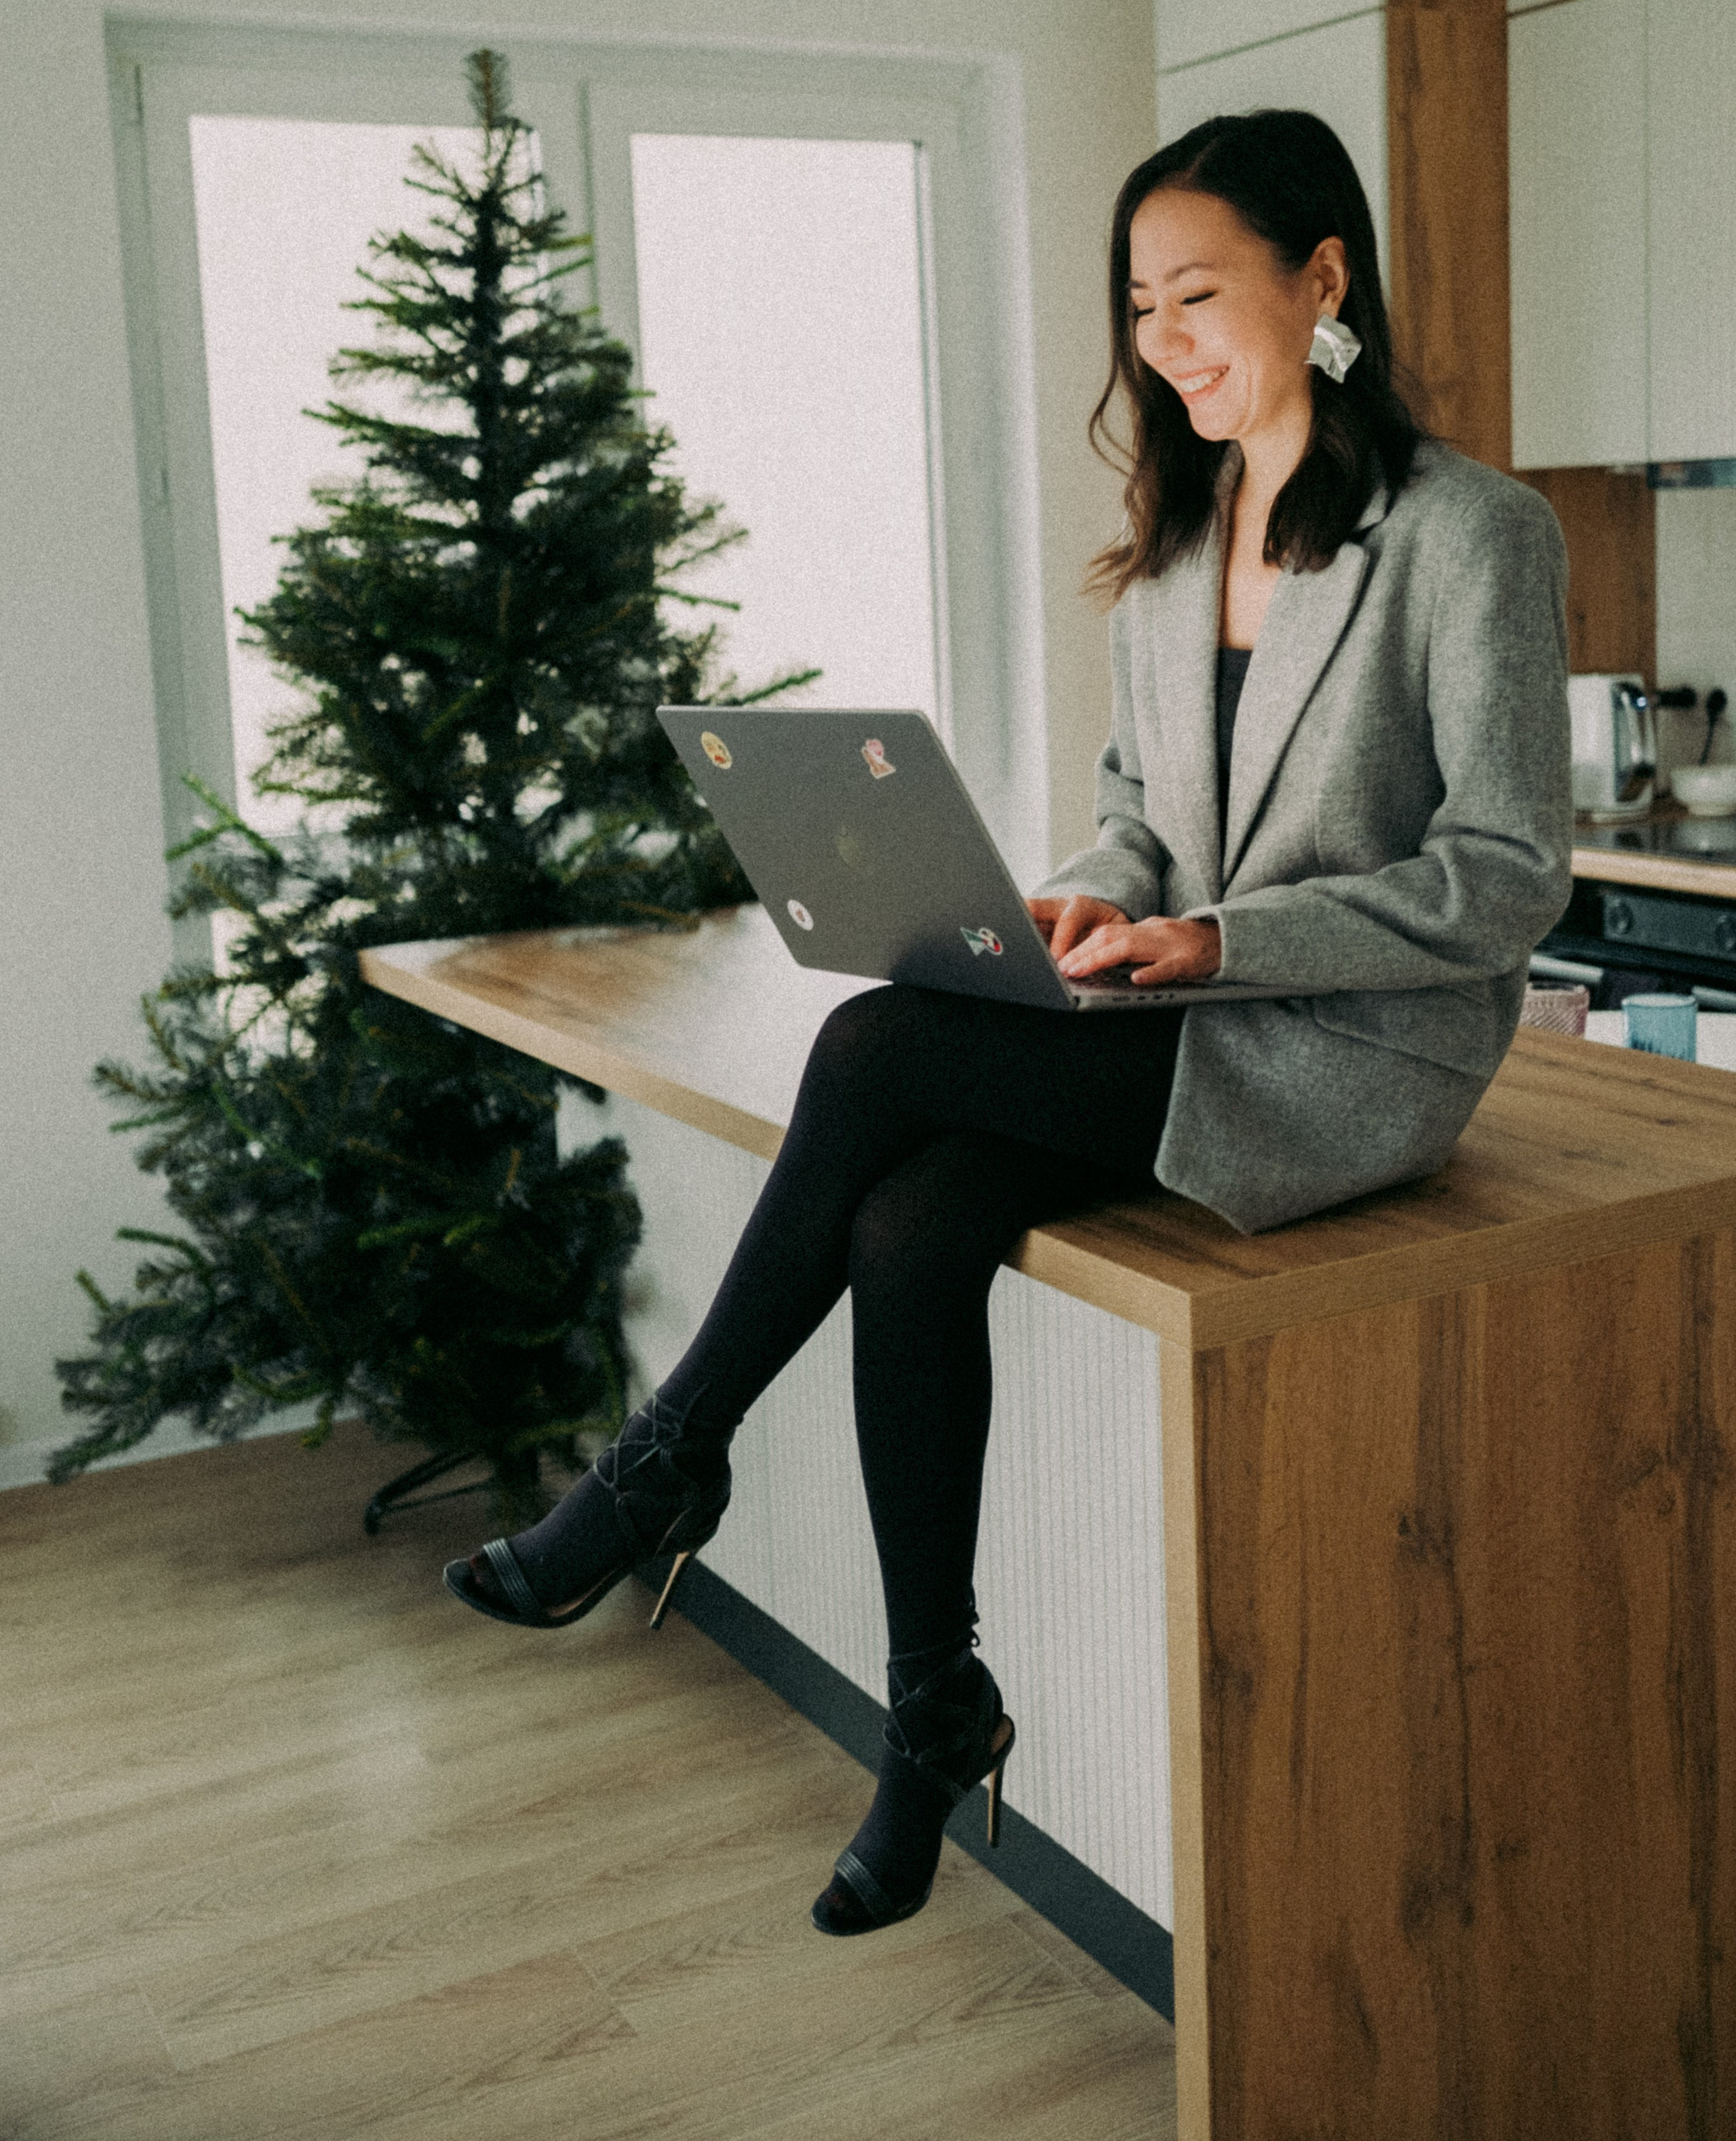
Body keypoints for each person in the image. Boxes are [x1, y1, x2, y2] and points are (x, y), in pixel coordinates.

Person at [445, 107, 1573, 1939]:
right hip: (1191, 1005)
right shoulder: (1182, 541)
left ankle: (663, 1466)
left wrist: (1212, 943)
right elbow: (1140, 808)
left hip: (1355, 1053)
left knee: (880, 1046)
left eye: (1198, 291)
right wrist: (1085, 897)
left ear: (1325, 276)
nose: (1164, 338)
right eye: (1140, 302)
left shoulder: (1470, 538)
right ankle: (931, 1712)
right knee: (913, 1218)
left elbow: (1510, 875)